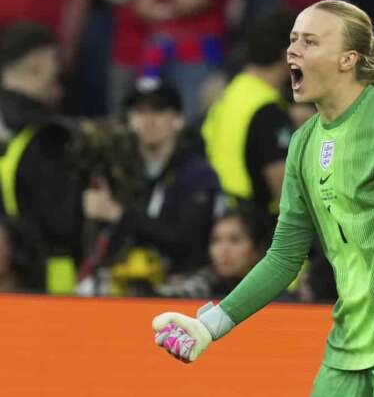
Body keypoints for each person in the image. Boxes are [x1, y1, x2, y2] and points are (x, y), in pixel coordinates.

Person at [152, 0, 374, 397]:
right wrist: (212, 324)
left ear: (347, 59)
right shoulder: (304, 143)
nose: (292, 51)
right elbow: (284, 257)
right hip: (347, 350)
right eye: (292, 40)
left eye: (309, 42)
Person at [82, 77, 220, 278]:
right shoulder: (120, 171)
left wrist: (118, 215)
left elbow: (187, 241)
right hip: (126, 280)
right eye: (140, 112)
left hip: (184, 282)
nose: (148, 120)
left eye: (158, 110)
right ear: (130, 121)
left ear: (178, 119)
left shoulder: (197, 174)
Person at [0, 21, 84, 294]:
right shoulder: (47, 134)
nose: (58, 72)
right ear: (38, 62)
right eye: (54, 62)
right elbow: (62, 222)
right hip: (41, 278)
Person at [201, 10, 295, 217]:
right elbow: (286, 196)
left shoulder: (229, 95)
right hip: (253, 229)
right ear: (286, 55)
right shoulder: (269, 111)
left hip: (219, 218)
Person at [135, 0, 232, 122]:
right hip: (158, 59)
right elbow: (143, 7)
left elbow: (191, 1)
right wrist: (178, 10)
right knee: (153, 118)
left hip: (197, 60)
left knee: (190, 120)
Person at [157, 209, 271, 298]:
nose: (223, 250)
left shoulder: (274, 292)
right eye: (216, 240)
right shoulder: (200, 285)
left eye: (235, 240)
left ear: (258, 249)